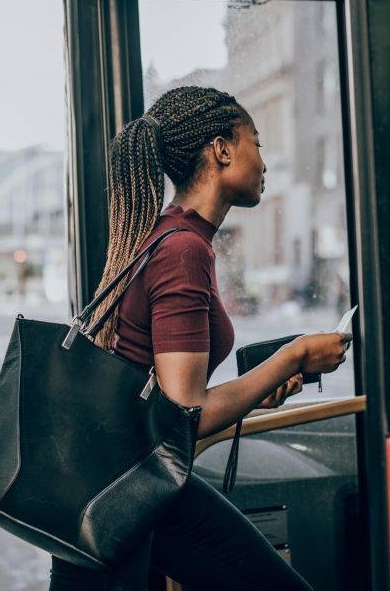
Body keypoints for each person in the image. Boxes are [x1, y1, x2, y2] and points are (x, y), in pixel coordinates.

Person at [48, 86, 351, 590]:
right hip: (132, 493)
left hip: (126, 485)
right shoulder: (183, 249)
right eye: (257, 141)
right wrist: (294, 354)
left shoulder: (172, 236)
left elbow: (172, 414)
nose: (264, 160)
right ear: (223, 149)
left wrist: (260, 387)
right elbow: (187, 410)